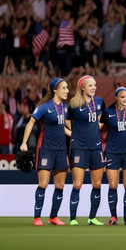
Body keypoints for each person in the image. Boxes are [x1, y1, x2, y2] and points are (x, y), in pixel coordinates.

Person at [20, 78, 70, 226]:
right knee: (43, 184)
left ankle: (53, 217)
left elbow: (63, 128)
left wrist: (75, 134)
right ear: (55, 90)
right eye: (64, 88)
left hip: (61, 150)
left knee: (60, 186)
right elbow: (30, 123)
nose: (67, 91)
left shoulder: (64, 108)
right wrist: (24, 143)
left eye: (67, 88)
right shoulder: (44, 107)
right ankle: (37, 217)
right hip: (46, 149)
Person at [68, 75, 106, 226]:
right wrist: (74, 134)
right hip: (79, 147)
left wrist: (96, 129)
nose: (94, 88)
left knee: (97, 184)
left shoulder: (99, 101)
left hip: (96, 147)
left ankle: (92, 217)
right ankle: (72, 218)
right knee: (77, 184)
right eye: (90, 85)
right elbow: (67, 121)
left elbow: (101, 118)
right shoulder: (74, 104)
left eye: (95, 85)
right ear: (82, 87)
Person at [100, 87, 126, 225]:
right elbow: (96, 128)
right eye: (122, 97)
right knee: (113, 185)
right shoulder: (108, 112)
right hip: (112, 152)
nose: (125, 100)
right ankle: (113, 217)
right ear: (116, 98)